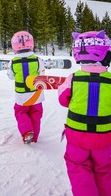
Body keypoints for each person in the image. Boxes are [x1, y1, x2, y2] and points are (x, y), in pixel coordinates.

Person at [58, 30, 111, 196]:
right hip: (105, 137)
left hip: (77, 138)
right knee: (105, 169)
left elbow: (63, 100)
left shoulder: (73, 78)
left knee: (78, 168)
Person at [7, 31, 45, 144]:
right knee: (36, 115)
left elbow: (11, 76)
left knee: (21, 113)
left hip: (21, 96)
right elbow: (42, 75)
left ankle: (27, 132)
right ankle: (35, 137)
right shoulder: (38, 60)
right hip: (36, 96)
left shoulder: (13, 62)